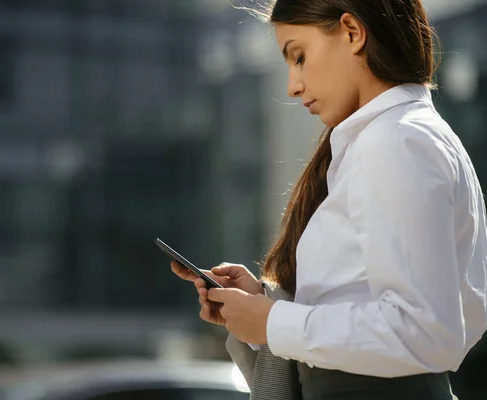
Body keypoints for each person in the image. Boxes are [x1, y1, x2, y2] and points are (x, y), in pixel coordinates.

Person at [171, 0, 487, 399]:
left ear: (352, 32)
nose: (293, 85)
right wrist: (261, 306)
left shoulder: (399, 141)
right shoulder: (392, 139)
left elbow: (424, 331)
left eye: (299, 56)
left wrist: (273, 322)